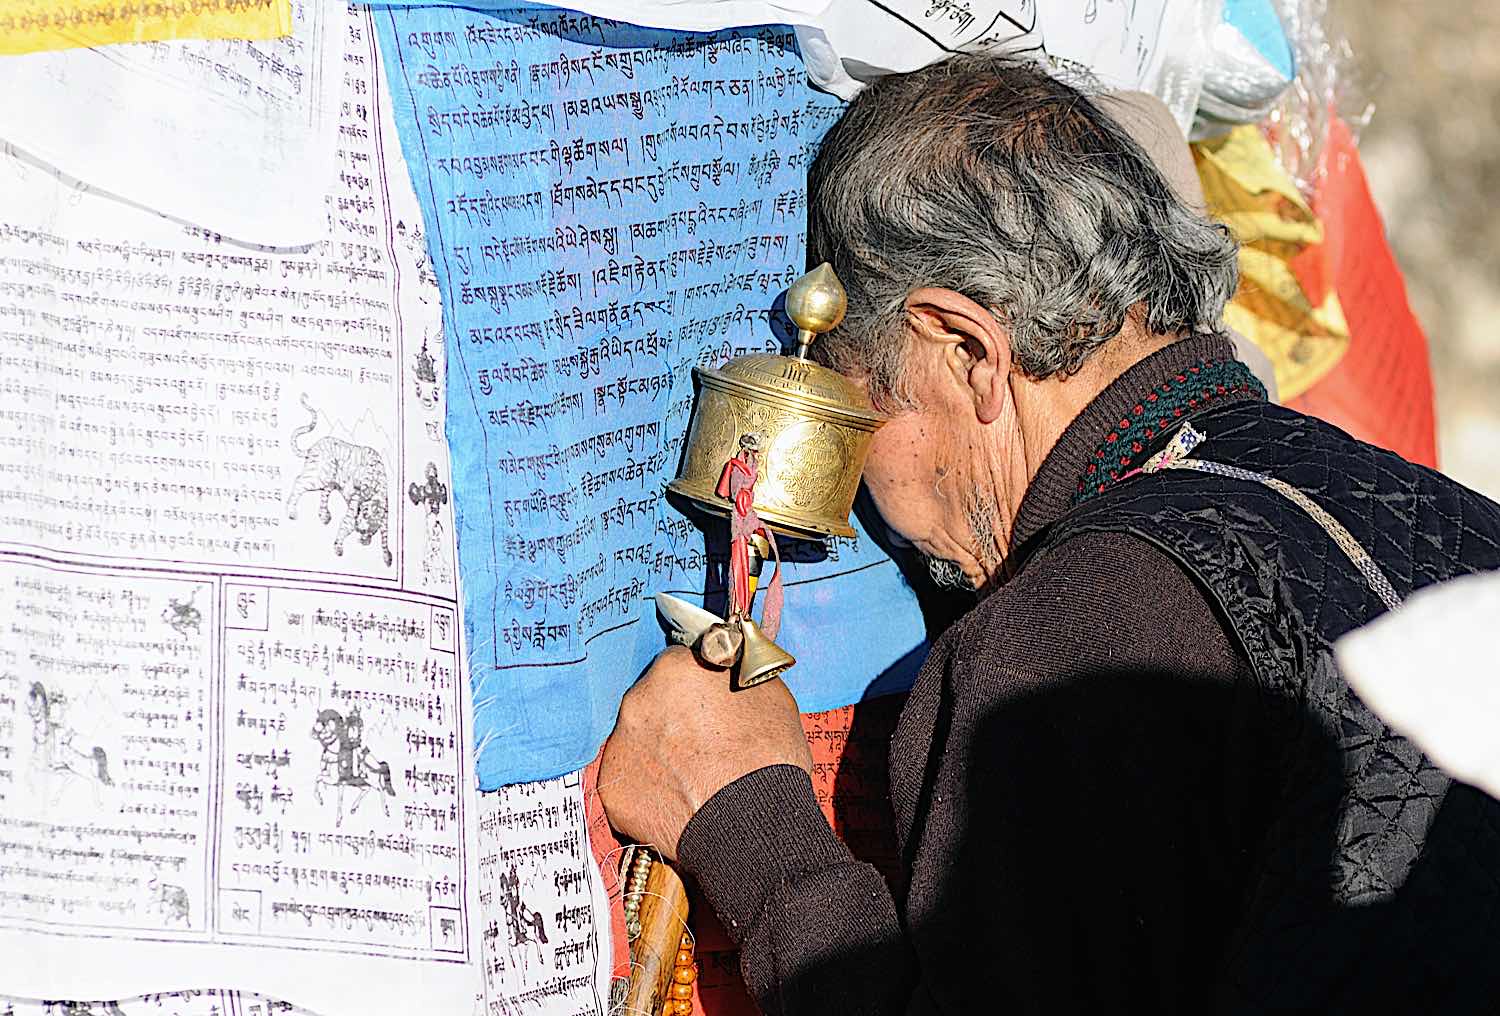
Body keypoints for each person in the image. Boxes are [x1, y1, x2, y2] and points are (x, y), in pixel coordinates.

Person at [599, 55, 1500, 1013]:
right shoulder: (1439, 510)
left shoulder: (1072, 632)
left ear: (968, 352)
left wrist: (751, 830)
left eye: (863, 412)